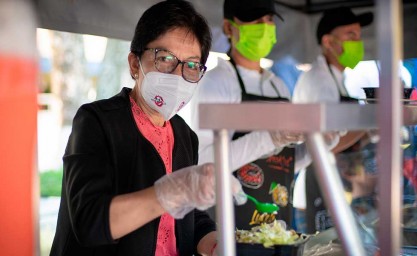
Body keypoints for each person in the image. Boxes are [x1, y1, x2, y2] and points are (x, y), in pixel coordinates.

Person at [49, 1, 246, 256]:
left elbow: (190, 217)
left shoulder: (186, 135)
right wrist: (169, 193)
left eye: (192, 65)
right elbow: (89, 222)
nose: (178, 75)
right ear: (134, 64)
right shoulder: (97, 121)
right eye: (165, 58)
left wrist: (217, 241)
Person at [186, 0, 313, 231]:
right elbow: (204, 162)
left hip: (277, 222)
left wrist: (315, 147)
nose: (264, 27)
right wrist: (269, 138)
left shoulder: (279, 86)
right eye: (256, 21)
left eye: (269, 20)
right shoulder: (217, 82)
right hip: (228, 222)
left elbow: (284, 164)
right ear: (228, 27)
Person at [292, 6, 376, 234]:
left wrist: (370, 132)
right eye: (351, 36)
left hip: (334, 187)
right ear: (328, 42)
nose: (358, 42)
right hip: (315, 192)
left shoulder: (337, 79)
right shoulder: (320, 81)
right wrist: (371, 120)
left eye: (358, 35)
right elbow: (327, 144)